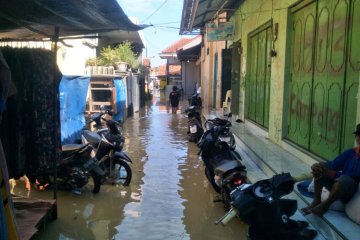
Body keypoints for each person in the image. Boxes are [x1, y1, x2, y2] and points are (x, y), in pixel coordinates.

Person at [301, 123, 360, 217]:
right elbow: (333, 164)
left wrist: (336, 175)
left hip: (350, 190)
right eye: (358, 135)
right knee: (320, 169)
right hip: (339, 184)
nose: (359, 138)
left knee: (344, 179)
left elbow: (354, 176)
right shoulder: (350, 152)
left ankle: (324, 206)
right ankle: (317, 200)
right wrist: (320, 166)